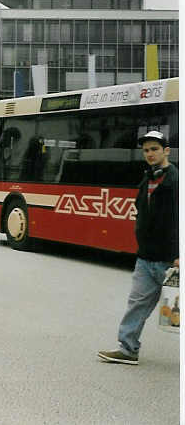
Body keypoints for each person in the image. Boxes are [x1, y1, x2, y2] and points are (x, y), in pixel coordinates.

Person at [98, 130, 179, 365]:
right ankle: (128, 348)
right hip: (146, 258)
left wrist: (178, 255)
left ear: (166, 151)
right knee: (136, 304)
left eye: (154, 149)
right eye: (146, 150)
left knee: (177, 308)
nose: (150, 154)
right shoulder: (148, 178)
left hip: (170, 260)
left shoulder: (175, 181)